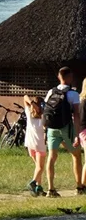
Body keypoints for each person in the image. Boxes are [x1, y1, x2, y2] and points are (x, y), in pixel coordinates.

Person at [43, 67, 82, 198]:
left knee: (52, 157)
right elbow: (76, 115)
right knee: (76, 155)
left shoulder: (50, 92)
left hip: (51, 128)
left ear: (59, 77)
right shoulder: (73, 94)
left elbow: (46, 111)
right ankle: (79, 186)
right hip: (66, 128)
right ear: (69, 77)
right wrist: (77, 135)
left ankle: (51, 189)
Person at [24, 95, 47, 196]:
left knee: (37, 167)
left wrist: (32, 103)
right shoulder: (43, 117)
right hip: (40, 145)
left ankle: (39, 187)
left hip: (30, 144)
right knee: (40, 167)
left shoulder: (29, 113)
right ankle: (33, 183)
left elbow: (25, 97)